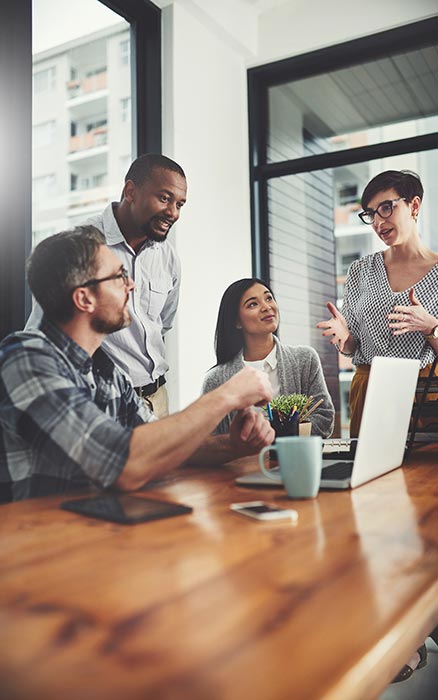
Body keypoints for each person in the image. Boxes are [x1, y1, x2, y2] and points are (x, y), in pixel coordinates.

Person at [0, 227, 274, 502]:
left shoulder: (107, 372)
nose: (130, 285)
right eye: (119, 276)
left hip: (93, 530)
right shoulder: (27, 359)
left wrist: (233, 445)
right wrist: (226, 395)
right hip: (37, 539)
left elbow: (162, 444)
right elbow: (123, 463)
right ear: (84, 298)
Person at [26, 153, 187, 419]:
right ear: (130, 191)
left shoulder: (167, 257)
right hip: (100, 400)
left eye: (180, 204)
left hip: (157, 397)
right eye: (164, 198)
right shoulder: (83, 245)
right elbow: (44, 331)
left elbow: (163, 324)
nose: (173, 213)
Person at [317, 169, 438, 439]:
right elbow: (352, 346)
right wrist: (344, 338)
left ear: (413, 205)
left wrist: (430, 327)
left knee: (426, 479)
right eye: (371, 214)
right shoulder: (361, 270)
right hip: (371, 390)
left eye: (386, 208)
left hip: (427, 395)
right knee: (371, 478)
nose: (377, 222)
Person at [202, 278, 334, 437]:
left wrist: (280, 436)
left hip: (295, 459)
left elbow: (324, 418)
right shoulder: (215, 380)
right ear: (237, 321)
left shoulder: (305, 359)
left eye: (268, 298)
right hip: (241, 462)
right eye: (253, 304)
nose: (266, 307)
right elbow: (210, 439)